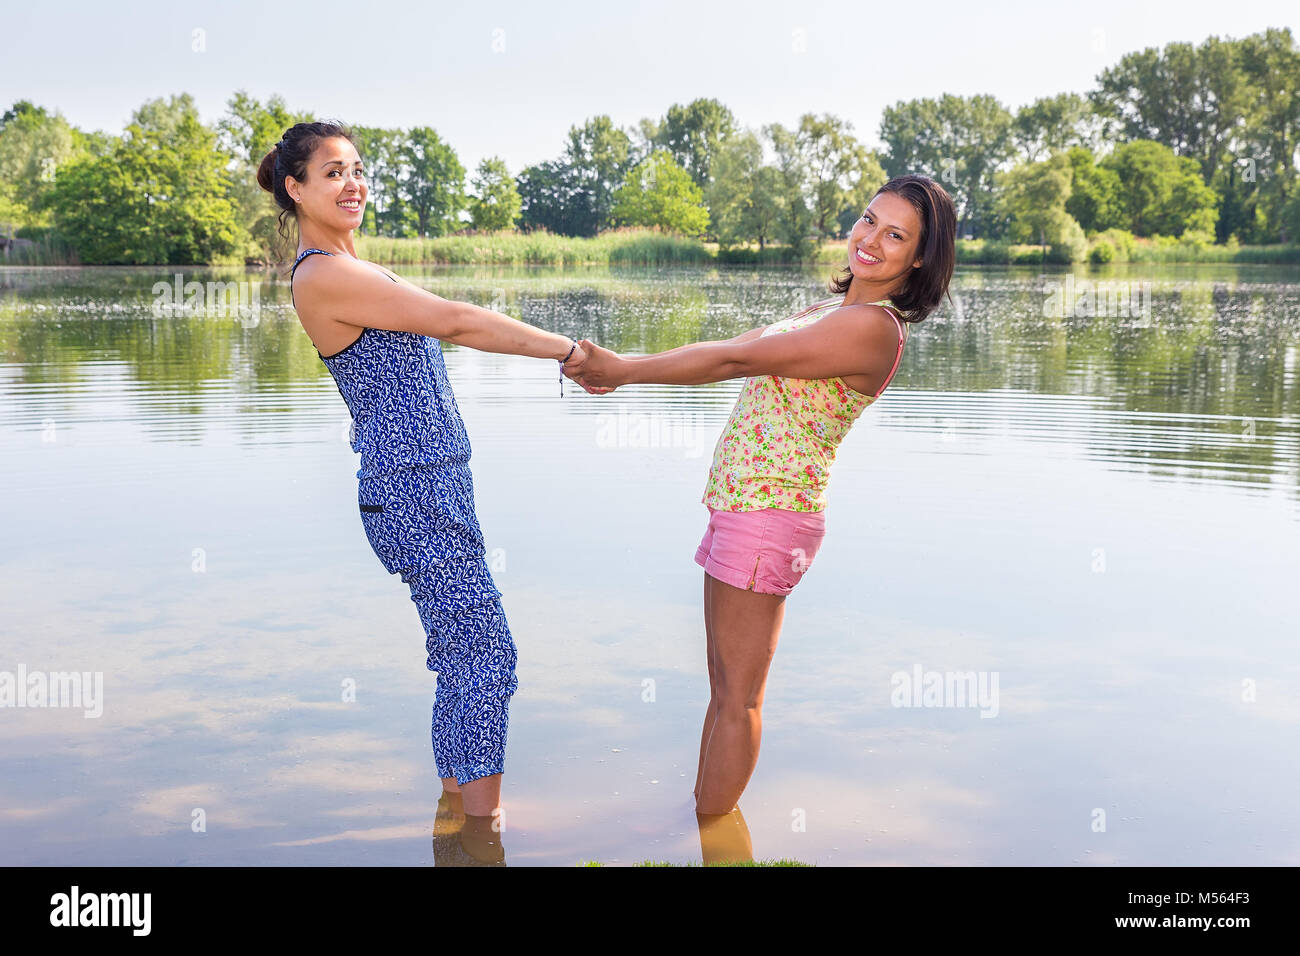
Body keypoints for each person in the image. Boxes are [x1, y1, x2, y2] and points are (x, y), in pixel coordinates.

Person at [566, 175, 957, 815]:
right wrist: (628, 367)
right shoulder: (835, 313)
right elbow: (737, 354)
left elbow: (733, 361)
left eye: (896, 236)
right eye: (868, 220)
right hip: (742, 510)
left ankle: (712, 830)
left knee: (739, 696)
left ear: (918, 259)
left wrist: (625, 370)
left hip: (771, 519)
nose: (871, 240)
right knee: (722, 689)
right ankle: (708, 832)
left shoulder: (873, 330)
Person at [258, 121, 589, 820]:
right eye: (332, 173)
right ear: (296, 189)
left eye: (357, 169)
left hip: (425, 483)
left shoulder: (356, 269)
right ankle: (481, 832)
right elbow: (460, 321)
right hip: (412, 489)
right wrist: (571, 353)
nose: (353, 184)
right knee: (485, 656)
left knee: (464, 653)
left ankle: (456, 814)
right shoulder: (325, 275)